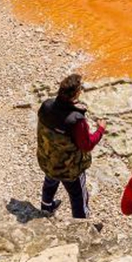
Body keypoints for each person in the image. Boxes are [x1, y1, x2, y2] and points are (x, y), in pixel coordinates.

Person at [36, 73, 105, 218]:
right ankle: (82, 225)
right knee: (78, 195)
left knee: (50, 181)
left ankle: (46, 208)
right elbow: (87, 145)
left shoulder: (46, 106)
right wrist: (100, 129)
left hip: (48, 159)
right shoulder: (76, 121)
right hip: (70, 168)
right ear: (76, 93)